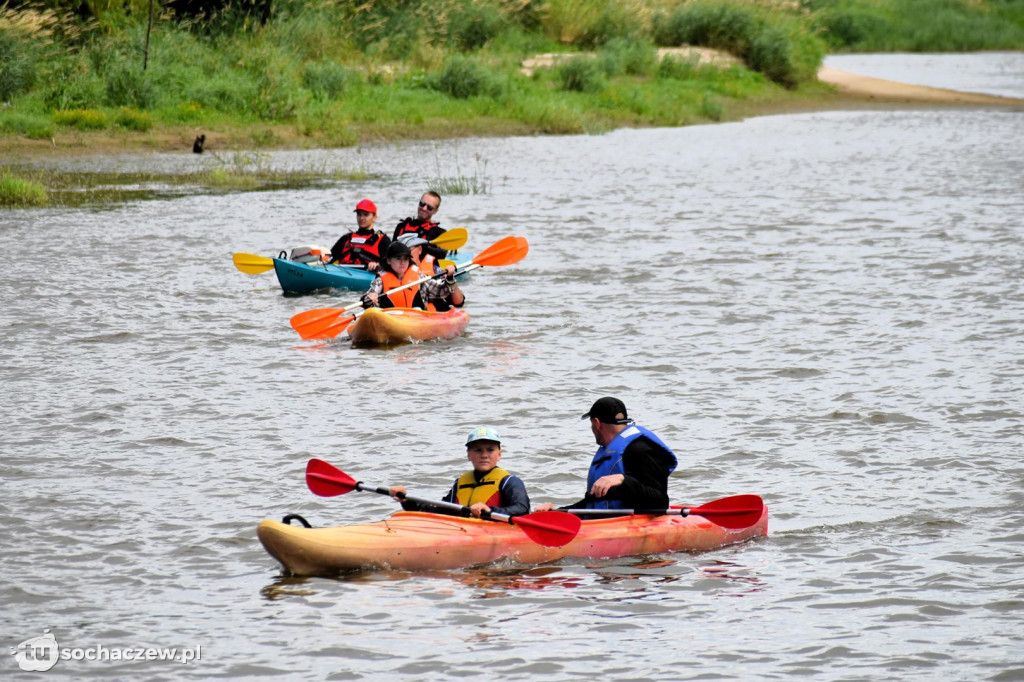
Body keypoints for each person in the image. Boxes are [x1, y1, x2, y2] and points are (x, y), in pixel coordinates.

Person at [535, 397, 678, 514]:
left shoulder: (641, 450)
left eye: (591, 424)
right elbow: (592, 503)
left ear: (597, 423)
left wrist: (623, 479)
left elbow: (659, 501)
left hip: (631, 527)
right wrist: (557, 513)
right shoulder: (608, 451)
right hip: (601, 525)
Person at [389, 427, 531, 519]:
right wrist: (407, 500)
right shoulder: (460, 483)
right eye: (478, 450)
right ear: (469, 455)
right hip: (462, 531)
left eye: (490, 449)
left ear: (499, 454)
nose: (484, 455)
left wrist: (489, 510)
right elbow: (438, 510)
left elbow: (522, 509)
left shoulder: (509, 481)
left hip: (494, 531)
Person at [396, 233, 465, 312]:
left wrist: (450, 278)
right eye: (400, 253)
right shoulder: (395, 273)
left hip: (435, 313)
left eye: (409, 250)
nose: (405, 256)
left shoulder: (436, 271)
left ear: (419, 250)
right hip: (409, 314)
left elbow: (458, 302)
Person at [329, 199, 391, 272]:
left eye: (366, 214)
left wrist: (378, 264)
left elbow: (391, 262)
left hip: (368, 275)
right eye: (359, 214)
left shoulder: (383, 240)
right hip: (343, 273)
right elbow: (329, 257)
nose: (361, 218)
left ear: (374, 217)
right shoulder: (346, 238)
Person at [361, 241, 427, 309]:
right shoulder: (380, 281)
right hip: (391, 316)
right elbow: (367, 298)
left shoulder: (419, 277)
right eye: (398, 258)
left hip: (415, 316)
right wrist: (371, 297)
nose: (403, 262)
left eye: (406, 259)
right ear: (388, 260)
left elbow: (435, 290)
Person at [393, 191, 449, 261]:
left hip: (423, 268)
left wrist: (421, 247)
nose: (424, 208)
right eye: (422, 204)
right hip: (399, 267)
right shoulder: (401, 226)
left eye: (429, 207)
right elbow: (390, 251)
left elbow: (442, 254)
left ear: (435, 211)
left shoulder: (439, 232)